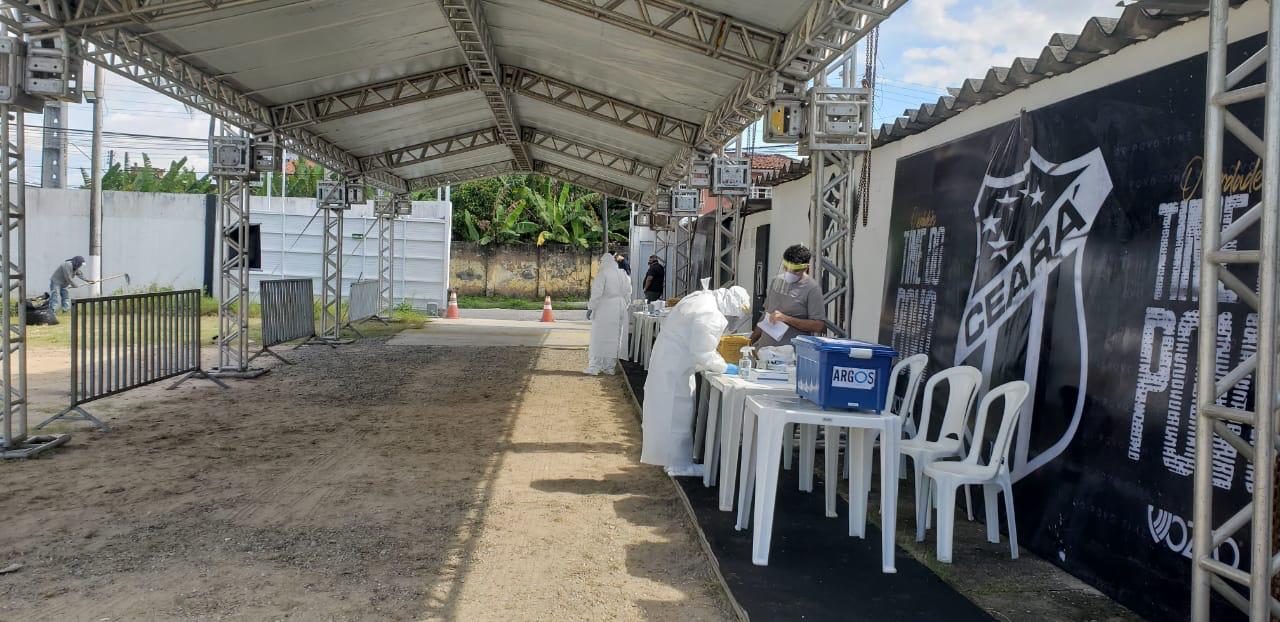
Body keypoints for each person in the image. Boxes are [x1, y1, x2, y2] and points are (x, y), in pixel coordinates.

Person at [641, 285, 750, 476]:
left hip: (670, 359)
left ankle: (672, 459)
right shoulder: (709, 314)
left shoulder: (702, 298)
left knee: (668, 413)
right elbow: (703, 354)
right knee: (677, 414)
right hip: (677, 366)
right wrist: (725, 367)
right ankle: (679, 465)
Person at [751, 244, 827, 347]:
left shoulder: (812, 289)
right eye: (786, 268)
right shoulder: (776, 281)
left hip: (789, 355)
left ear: (806, 268)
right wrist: (750, 340)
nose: (789, 273)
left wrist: (786, 319)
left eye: (795, 270)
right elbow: (766, 314)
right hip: (765, 350)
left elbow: (818, 325)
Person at [585, 252, 631, 375]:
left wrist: (591, 307)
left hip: (604, 308)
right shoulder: (623, 274)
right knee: (614, 338)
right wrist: (623, 305)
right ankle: (609, 367)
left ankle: (595, 365)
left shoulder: (603, 273)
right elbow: (628, 293)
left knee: (599, 337)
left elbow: (597, 293)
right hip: (620, 308)